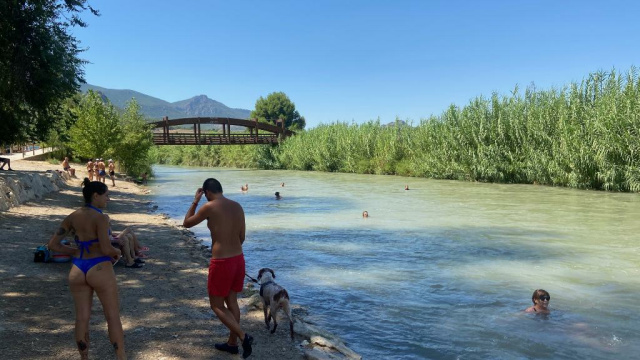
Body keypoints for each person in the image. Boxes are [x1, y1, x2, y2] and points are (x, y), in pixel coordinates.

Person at [47, 178, 125, 359]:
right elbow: (106, 248)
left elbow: (53, 245)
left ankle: (84, 358)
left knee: (82, 318)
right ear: (95, 196)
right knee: (112, 316)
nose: (108, 199)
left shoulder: (73, 216)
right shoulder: (101, 218)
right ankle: (121, 357)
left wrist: (75, 251)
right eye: (106, 195)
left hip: (77, 269)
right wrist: (117, 252)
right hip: (99, 267)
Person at [183, 178, 253, 358]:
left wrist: (195, 201)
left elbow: (187, 223)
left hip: (221, 262)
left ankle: (243, 337)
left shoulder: (210, 206)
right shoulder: (237, 206)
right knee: (232, 301)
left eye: (204, 194)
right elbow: (242, 236)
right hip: (238, 259)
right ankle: (232, 343)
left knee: (216, 305)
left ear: (206, 192)